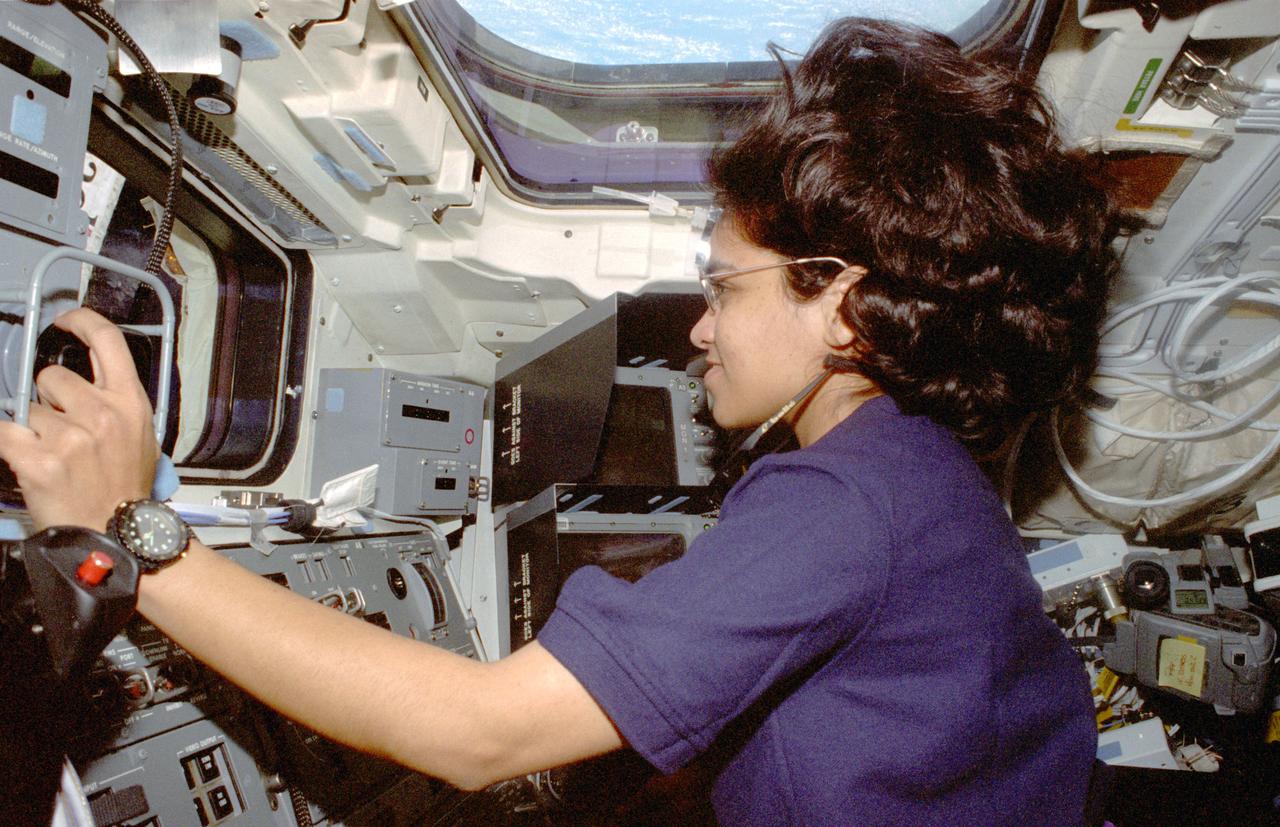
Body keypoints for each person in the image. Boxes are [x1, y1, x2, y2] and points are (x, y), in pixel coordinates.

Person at [0, 17, 1130, 826]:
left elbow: (481, 734)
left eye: (726, 286)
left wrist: (135, 530)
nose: (699, 328)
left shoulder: (847, 492)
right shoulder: (926, 471)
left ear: (839, 301)